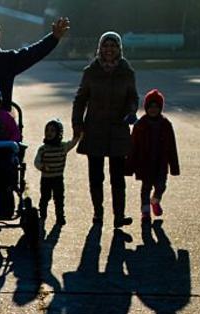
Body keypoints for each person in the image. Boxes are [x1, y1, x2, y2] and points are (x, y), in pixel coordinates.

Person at [72, 31, 138, 227]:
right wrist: (77, 123)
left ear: (119, 49)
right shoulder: (91, 72)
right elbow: (80, 99)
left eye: (113, 46)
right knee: (96, 176)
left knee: (117, 178)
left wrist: (132, 111)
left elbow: (133, 97)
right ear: (100, 48)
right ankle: (98, 213)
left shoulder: (127, 72)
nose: (109, 50)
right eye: (106, 46)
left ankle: (119, 216)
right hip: (95, 129)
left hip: (118, 130)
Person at [128, 88, 180, 225]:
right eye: (150, 107)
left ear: (160, 108)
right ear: (146, 108)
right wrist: (129, 166)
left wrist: (174, 166)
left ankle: (155, 200)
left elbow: (172, 146)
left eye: (156, 107)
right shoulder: (140, 125)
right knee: (145, 188)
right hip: (144, 163)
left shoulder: (166, 124)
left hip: (161, 163)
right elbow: (133, 146)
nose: (153, 110)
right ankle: (145, 212)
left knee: (161, 186)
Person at [33, 119, 81, 226]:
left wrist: (78, 136)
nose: (49, 133)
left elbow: (72, 143)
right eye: (47, 131)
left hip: (58, 177)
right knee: (45, 196)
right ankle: (43, 212)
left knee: (59, 198)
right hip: (46, 178)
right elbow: (36, 161)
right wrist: (42, 167)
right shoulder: (43, 149)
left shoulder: (63, 147)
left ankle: (60, 216)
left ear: (58, 133)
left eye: (52, 131)